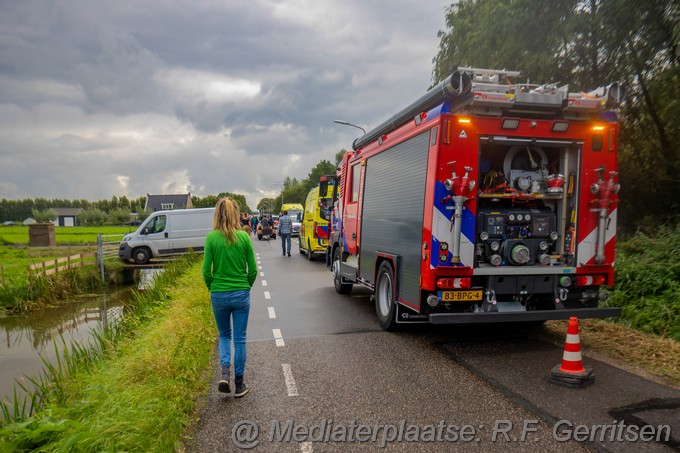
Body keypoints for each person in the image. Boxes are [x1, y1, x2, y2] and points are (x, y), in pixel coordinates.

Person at [202, 197, 257, 397]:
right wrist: (245, 286)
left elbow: (206, 272)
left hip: (219, 294)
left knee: (224, 335)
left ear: (217, 214)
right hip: (241, 293)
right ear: (235, 214)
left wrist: (213, 287)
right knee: (240, 339)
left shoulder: (211, 238)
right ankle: (240, 384)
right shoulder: (243, 237)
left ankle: (224, 374)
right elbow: (253, 270)